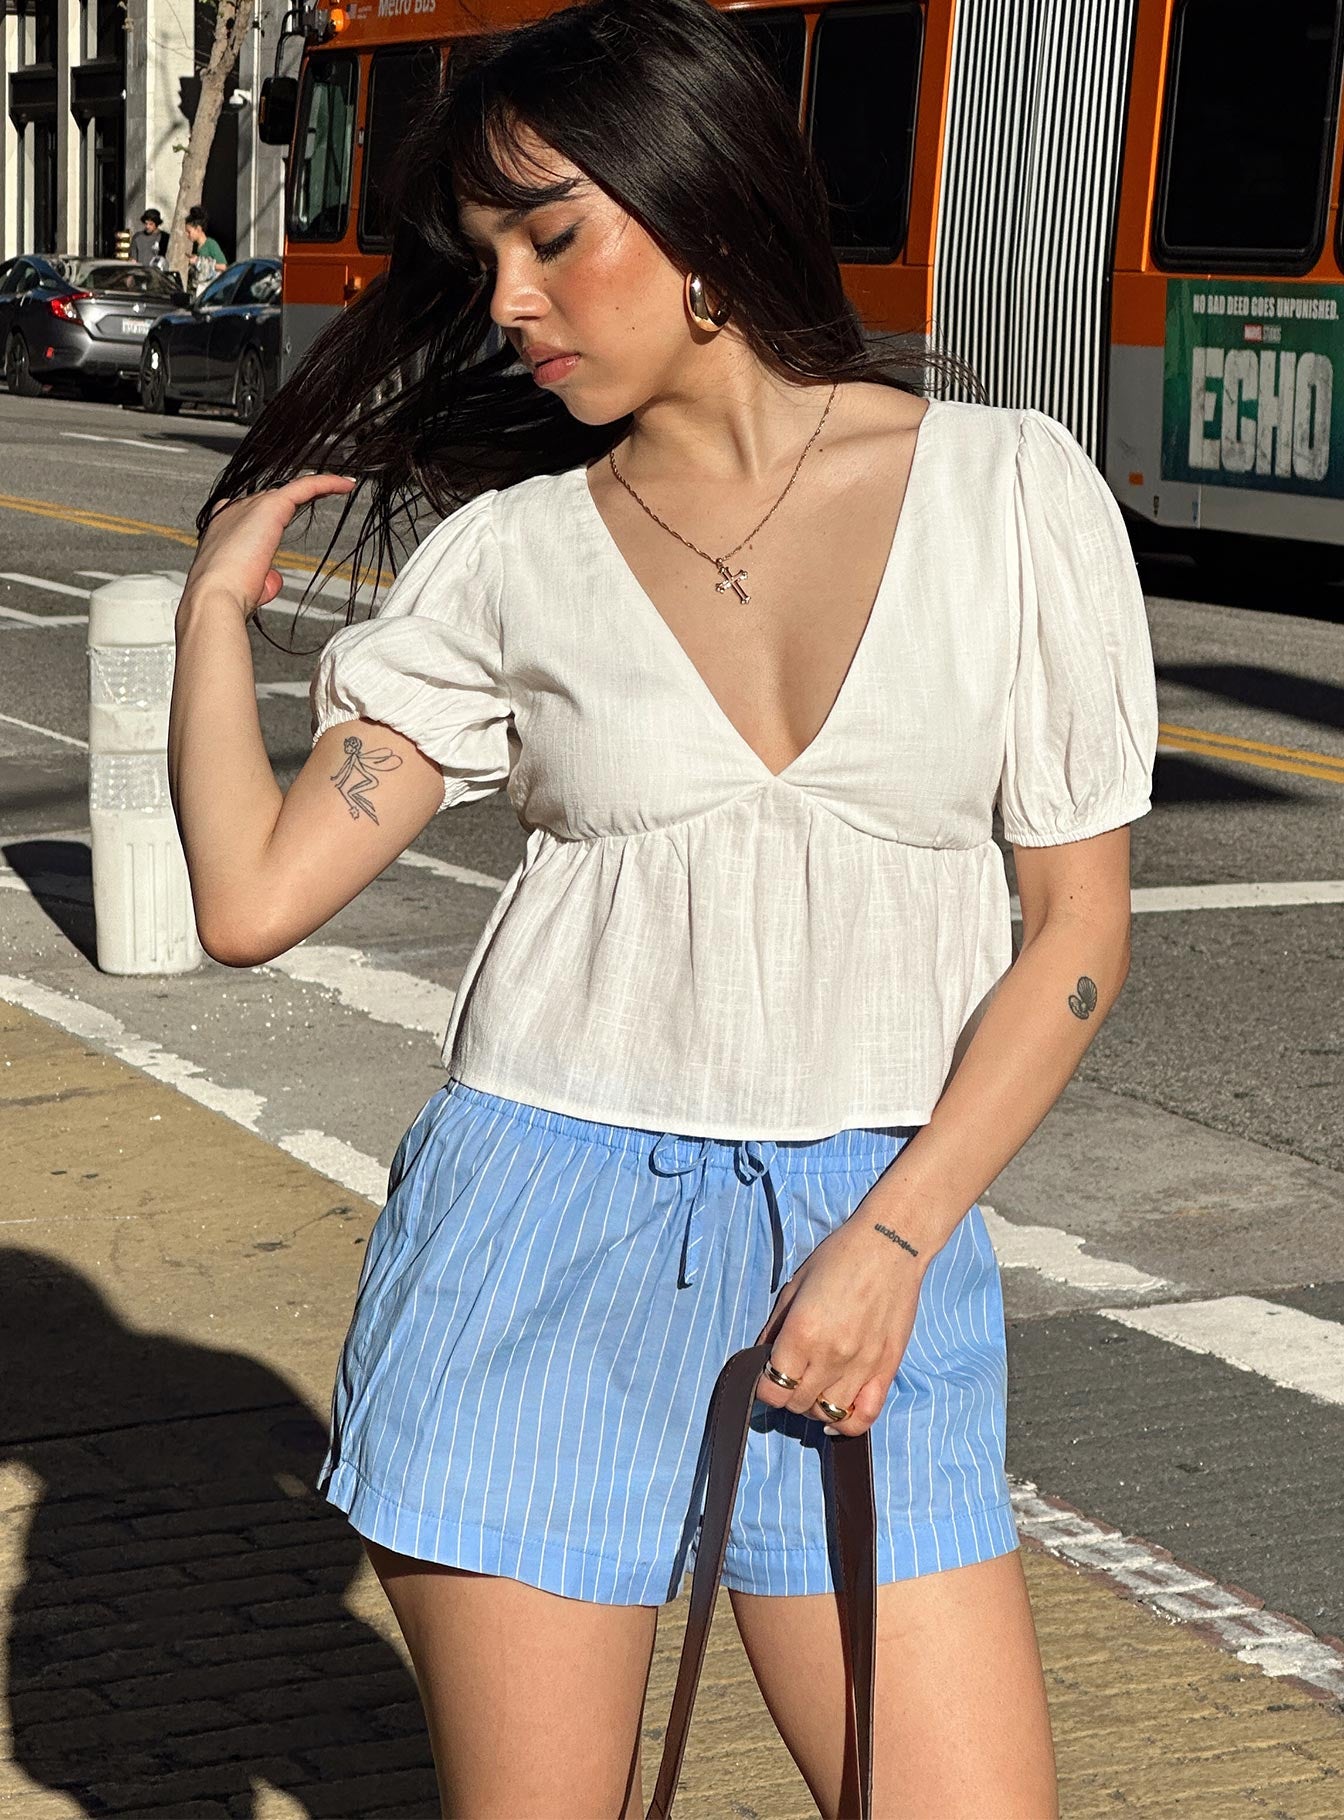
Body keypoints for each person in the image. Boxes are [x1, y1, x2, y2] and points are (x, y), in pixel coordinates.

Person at [169, 0, 1158, 1813]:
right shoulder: (505, 561)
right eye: (485, 262)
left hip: (867, 1234)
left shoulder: (1008, 497)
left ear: (697, 205)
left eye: (551, 238)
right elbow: (246, 901)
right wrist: (208, 627)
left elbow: (1074, 934)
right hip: (531, 1235)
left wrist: (885, 1241)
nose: (511, 305)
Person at [185, 207, 227, 292]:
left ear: (198, 229)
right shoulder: (198, 247)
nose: (187, 235)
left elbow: (223, 267)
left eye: (189, 232)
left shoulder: (211, 244)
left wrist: (200, 262)